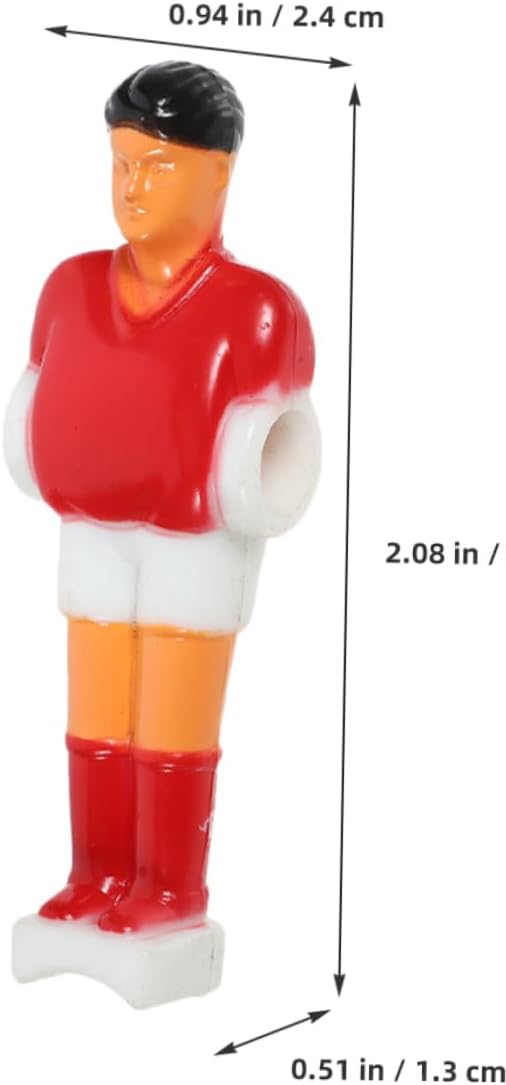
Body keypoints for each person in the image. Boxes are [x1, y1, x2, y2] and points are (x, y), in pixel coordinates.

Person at [4, 61, 320, 940]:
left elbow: (276, 442)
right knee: (95, 717)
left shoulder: (258, 310)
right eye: (120, 163)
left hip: (193, 544)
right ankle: (96, 873)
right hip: (88, 532)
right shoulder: (68, 287)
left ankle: (171, 888)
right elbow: (34, 395)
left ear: (218, 171)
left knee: (173, 721)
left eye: (159, 164)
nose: (133, 187)